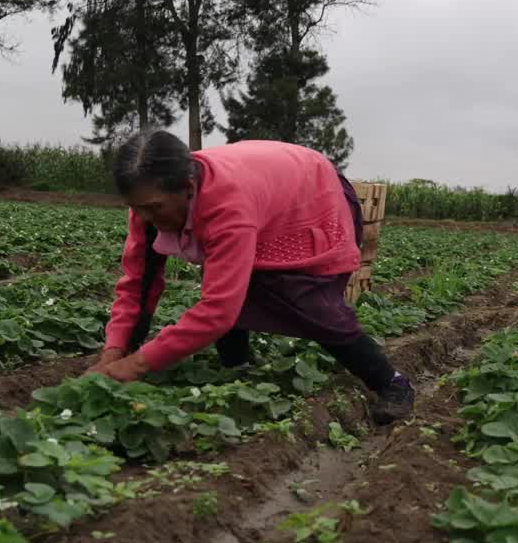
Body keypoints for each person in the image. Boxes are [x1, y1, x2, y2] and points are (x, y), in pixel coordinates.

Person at [87, 131, 415, 425]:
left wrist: (136, 366)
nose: (145, 217)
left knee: (309, 304)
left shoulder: (227, 206)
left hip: (310, 192)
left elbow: (218, 311)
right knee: (229, 283)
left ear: (188, 188)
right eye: (136, 207)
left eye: (154, 208)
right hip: (265, 189)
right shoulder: (149, 201)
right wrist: (115, 352)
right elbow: (138, 282)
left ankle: (392, 384)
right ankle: (237, 370)